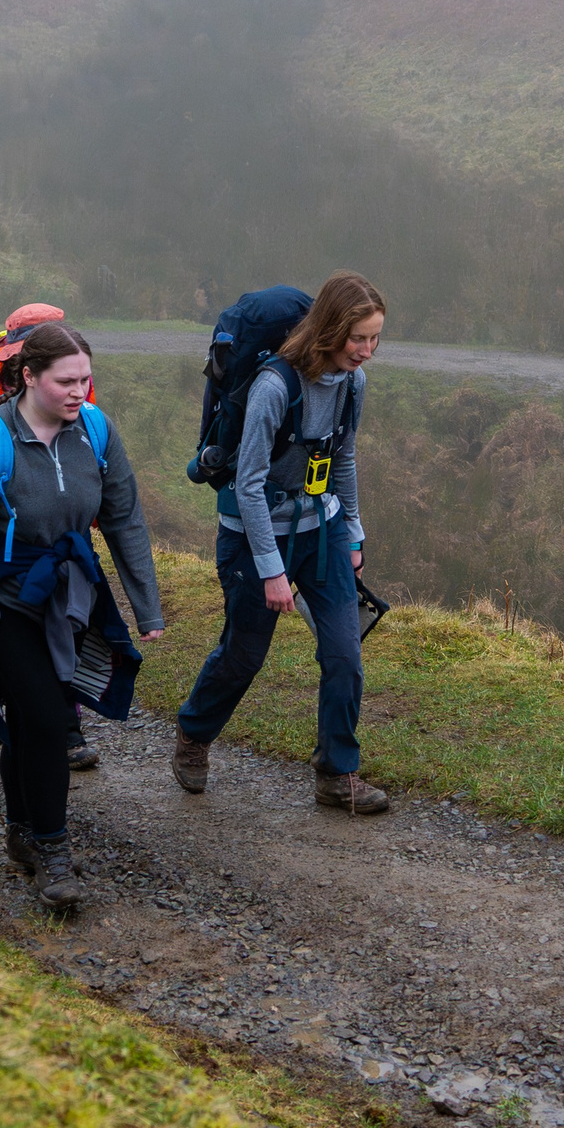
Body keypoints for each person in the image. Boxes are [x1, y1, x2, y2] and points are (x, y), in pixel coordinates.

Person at [0, 323, 164, 908]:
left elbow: (125, 517)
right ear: (29, 377)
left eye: (86, 379)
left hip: (68, 597)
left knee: (31, 722)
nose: (80, 392)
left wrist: (145, 604)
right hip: (2, 602)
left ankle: (21, 831)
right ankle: (54, 852)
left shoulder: (97, 432)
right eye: (66, 381)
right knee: (50, 720)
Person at [172, 271, 389, 814]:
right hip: (253, 535)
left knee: (345, 654)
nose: (367, 351)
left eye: (375, 338)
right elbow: (246, 485)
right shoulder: (274, 386)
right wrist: (271, 569)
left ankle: (337, 774)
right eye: (357, 338)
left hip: (324, 530)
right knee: (244, 655)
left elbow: (342, 458)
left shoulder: (353, 384)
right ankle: (193, 734)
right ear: (330, 329)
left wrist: (354, 533)